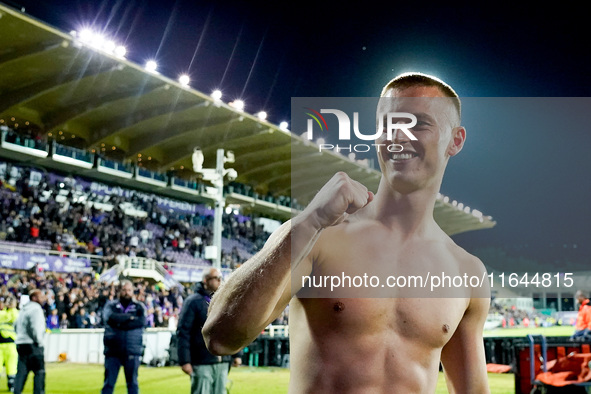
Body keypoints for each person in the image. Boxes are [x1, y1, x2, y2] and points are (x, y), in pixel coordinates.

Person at [203, 73, 491, 393]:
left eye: (420, 123)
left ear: (456, 140)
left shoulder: (466, 272)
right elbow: (220, 337)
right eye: (388, 125)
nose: (398, 136)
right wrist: (309, 222)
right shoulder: (320, 234)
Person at [177, 269, 241, 394]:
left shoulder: (225, 301)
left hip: (222, 361)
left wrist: (237, 354)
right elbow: (183, 332)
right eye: (216, 278)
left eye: (220, 278)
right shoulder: (192, 302)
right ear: (205, 280)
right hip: (201, 361)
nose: (219, 280)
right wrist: (184, 361)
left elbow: (231, 329)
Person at [102, 280, 146, 394]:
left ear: (133, 291)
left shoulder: (139, 306)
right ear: (119, 291)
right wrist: (130, 318)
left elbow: (141, 321)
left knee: (132, 384)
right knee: (108, 384)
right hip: (113, 351)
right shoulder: (110, 305)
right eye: (124, 290)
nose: (127, 292)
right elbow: (110, 318)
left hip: (132, 351)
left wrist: (119, 321)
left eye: (129, 290)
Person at [13, 290, 47, 394]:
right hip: (33, 345)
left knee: (21, 373)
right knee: (39, 373)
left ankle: (16, 392)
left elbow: (15, 325)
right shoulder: (36, 309)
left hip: (21, 344)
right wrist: (39, 342)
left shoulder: (23, 309)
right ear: (34, 298)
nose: (43, 298)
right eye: (41, 296)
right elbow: (36, 328)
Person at [0, 297, 19, 391]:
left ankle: (11, 385)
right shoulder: (4, 313)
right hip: (1, 344)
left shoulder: (15, 313)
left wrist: (12, 308)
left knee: (11, 366)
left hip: (11, 344)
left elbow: (14, 316)